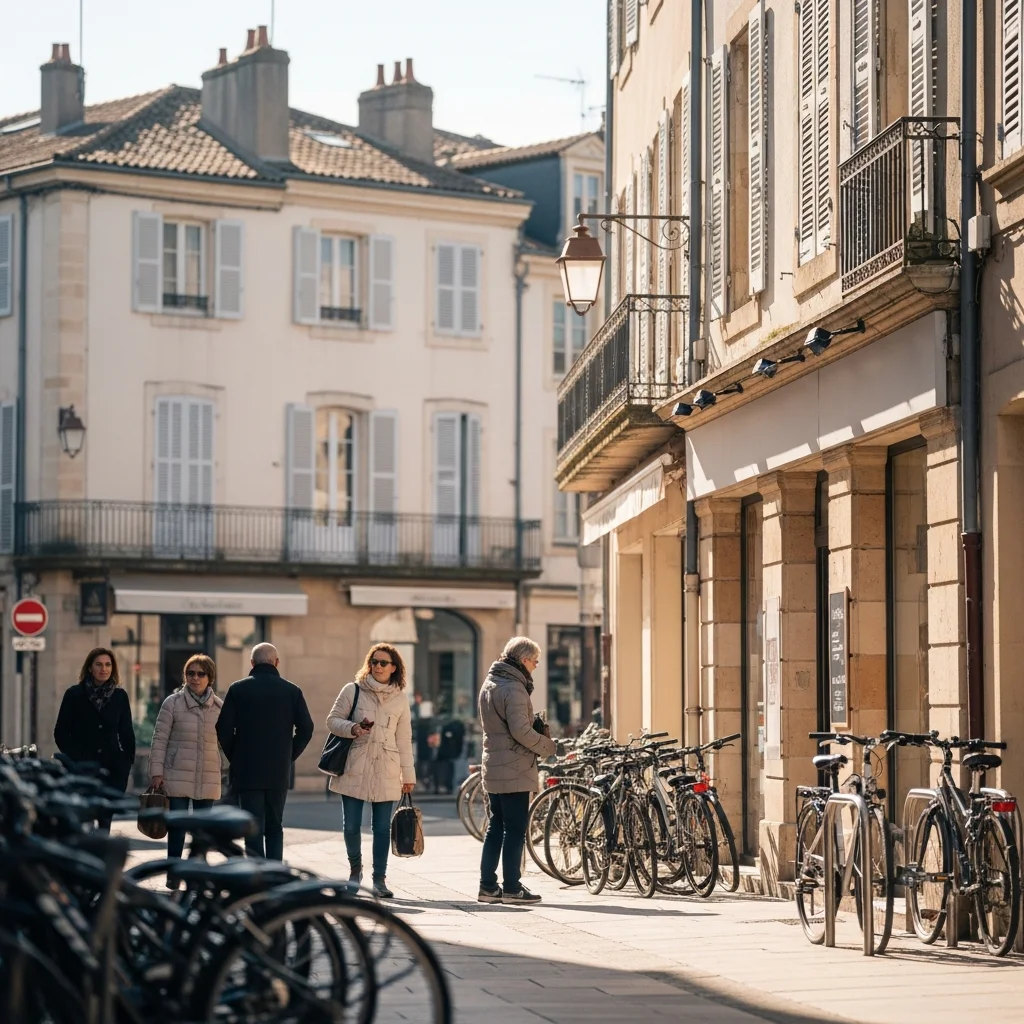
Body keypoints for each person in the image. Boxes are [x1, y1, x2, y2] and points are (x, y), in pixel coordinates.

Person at [326, 643, 416, 899]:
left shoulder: (400, 698)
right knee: (351, 826)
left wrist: (407, 775)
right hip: (355, 763)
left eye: (383, 663)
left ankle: (379, 879)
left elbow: (404, 738)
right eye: (374, 661)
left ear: (394, 668)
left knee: (381, 828)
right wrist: (353, 728)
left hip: (387, 766)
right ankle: (355, 871)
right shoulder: (352, 690)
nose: (377, 666)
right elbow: (332, 721)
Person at [216, 642, 314, 861]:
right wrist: (288, 756)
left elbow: (222, 728)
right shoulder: (292, 691)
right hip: (277, 771)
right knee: (274, 826)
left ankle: (256, 875)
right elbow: (307, 728)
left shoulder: (237, 689)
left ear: (252, 663)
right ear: (276, 662)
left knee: (252, 827)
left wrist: (236, 756)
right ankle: (274, 873)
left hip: (247, 771)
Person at [477, 637, 556, 906]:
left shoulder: (490, 683)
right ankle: (511, 887)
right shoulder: (515, 688)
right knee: (515, 829)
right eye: (534, 661)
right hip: (515, 766)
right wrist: (547, 746)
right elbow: (520, 730)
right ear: (523, 660)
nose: (535, 666)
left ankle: (487, 886)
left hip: (493, 763)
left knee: (495, 826)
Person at [148, 654, 224, 870]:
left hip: (208, 775)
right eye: (190, 673)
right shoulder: (172, 703)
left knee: (202, 830)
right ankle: (174, 873)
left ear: (210, 678)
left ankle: (197, 874)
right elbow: (159, 738)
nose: (195, 678)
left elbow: (228, 743)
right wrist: (156, 771)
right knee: (177, 828)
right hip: (175, 775)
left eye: (201, 674)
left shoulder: (220, 707)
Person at [54, 647, 136, 831]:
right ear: (90, 668)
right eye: (99, 664)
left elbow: (126, 733)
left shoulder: (119, 696)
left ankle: (102, 858)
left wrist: (126, 761)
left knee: (105, 819)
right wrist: (75, 758)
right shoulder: (74, 694)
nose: (103, 669)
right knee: (83, 818)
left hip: (112, 768)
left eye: (108, 665)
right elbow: (61, 732)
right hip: (82, 768)